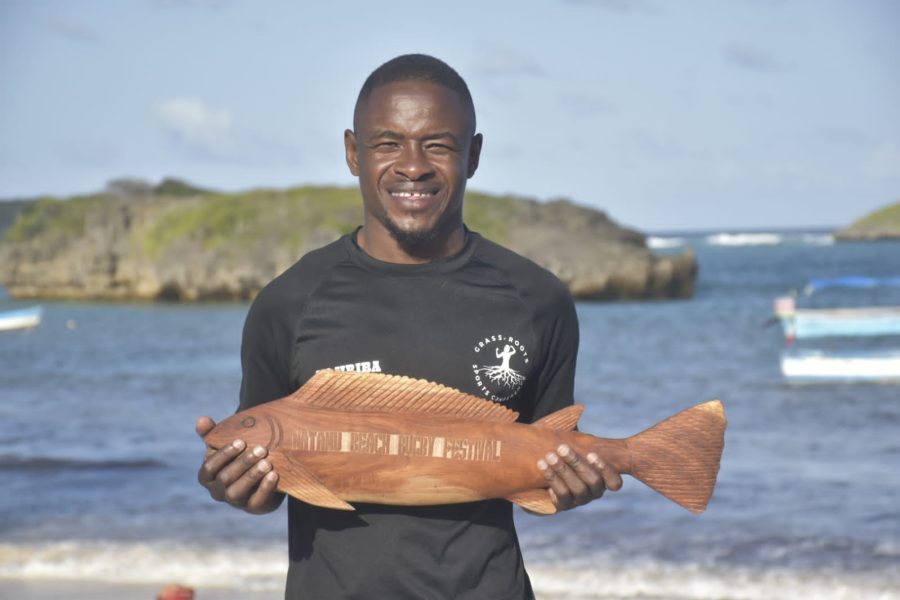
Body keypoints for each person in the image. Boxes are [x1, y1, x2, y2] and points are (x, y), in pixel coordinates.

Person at [196, 53, 622, 599]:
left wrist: (572, 486)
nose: (413, 166)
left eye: (438, 144)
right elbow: (268, 485)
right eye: (388, 143)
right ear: (354, 153)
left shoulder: (538, 299)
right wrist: (236, 487)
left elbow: (541, 470)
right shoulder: (289, 303)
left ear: (473, 155)